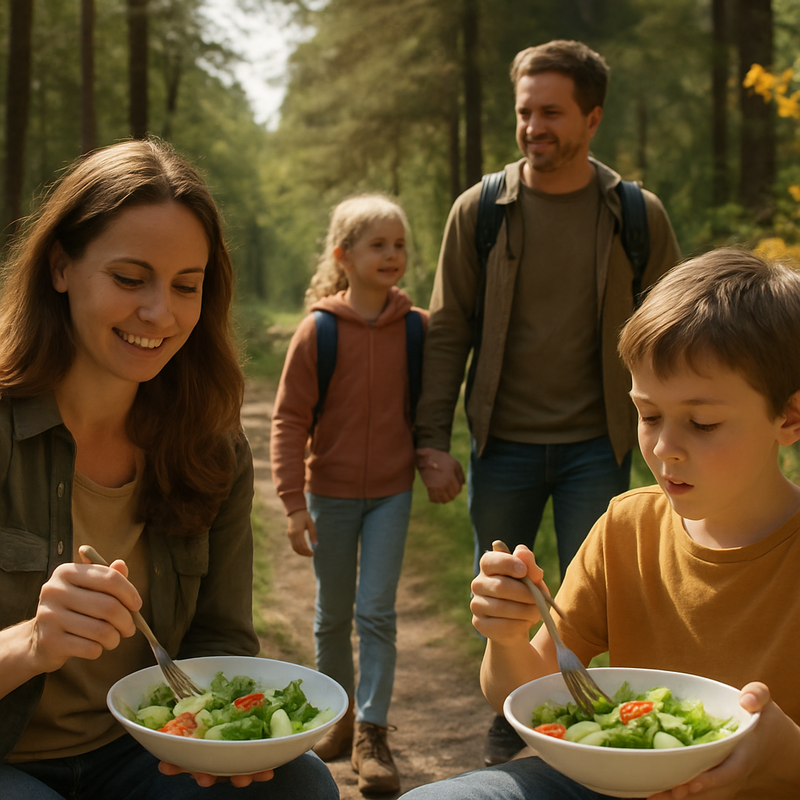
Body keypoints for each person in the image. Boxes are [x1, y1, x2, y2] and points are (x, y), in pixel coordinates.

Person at [0, 139, 338, 800]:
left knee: (300, 785)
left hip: (141, 751)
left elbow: (218, 639)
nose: (161, 313)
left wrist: (223, 738)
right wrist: (32, 642)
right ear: (61, 267)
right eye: (130, 279)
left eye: (187, 285)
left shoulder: (210, 447)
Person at [400, 247, 800, 800]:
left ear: (789, 416)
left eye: (703, 423)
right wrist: (508, 636)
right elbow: (527, 690)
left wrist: (782, 754)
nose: (664, 448)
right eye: (649, 414)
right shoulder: (627, 528)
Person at [413, 39, 681, 765]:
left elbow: (677, 341)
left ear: (592, 119)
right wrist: (432, 441)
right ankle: (509, 720)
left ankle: (590, 732)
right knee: (503, 598)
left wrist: (672, 440)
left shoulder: (635, 215)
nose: (534, 127)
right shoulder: (480, 212)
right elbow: (447, 333)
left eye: (552, 113)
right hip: (502, 443)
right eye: (525, 111)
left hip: (602, 441)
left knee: (600, 600)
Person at [270, 194, 427, 795]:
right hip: (328, 495)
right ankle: (335, 718)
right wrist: (291, 501)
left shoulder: (417, 328)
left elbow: (429, 410)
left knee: (376, 611)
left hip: (392, 491)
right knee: (332, 614)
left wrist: (433, 456)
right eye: (378, 245)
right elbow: (288, 421)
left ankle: (372, 732)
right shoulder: (318, 332)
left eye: (400, 245)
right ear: (344, 255)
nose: (392, 255)